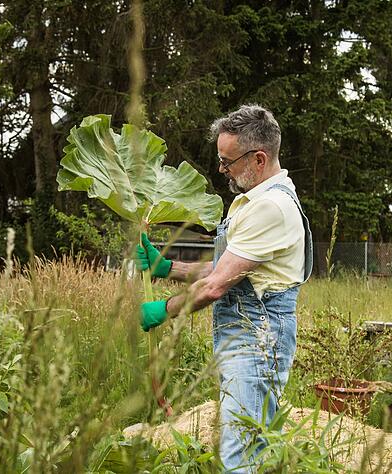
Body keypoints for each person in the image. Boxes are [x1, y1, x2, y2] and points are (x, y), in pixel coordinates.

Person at [136, 104, 313, 472]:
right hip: (245, 338)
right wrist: (167, 267)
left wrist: (163, 311)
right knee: (247, 448)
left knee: (239, 456)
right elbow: (229, 266)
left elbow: (216, 285)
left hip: (258, 341)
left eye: (227, 161)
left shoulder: (272, 208)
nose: (221, 169)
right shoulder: (254, 199)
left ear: (259, 159)